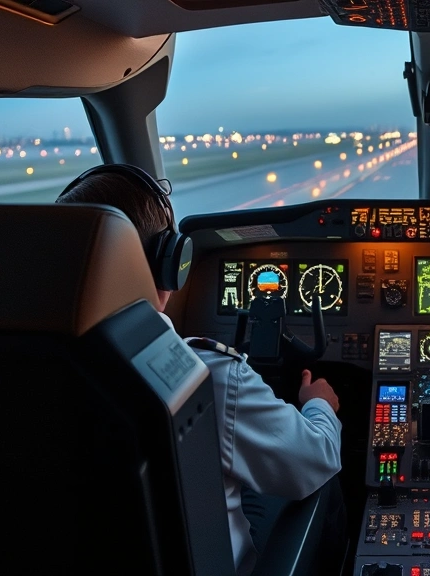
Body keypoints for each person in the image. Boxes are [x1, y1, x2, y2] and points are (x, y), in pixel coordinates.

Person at [56, 164, 343, 576]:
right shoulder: (202, 375)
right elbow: (314, 459)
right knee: (323, 479)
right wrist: (319, 407)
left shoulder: (8, 368)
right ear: (168, 263)